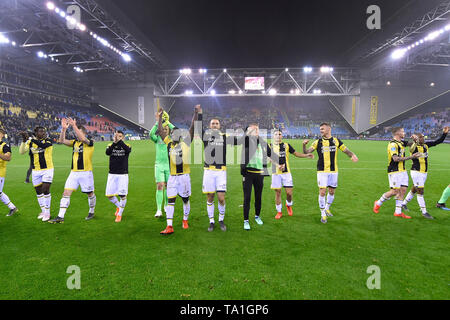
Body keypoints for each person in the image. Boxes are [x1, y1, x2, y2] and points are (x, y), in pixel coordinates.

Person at [303, 123, 358, 224]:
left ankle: (327, 208)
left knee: (332, 191)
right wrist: (304, 145)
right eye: (320, 129)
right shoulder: (317, 142)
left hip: (333, 170)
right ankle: (323, 213)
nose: (321, 131)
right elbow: (306, 152)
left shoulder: (336, 140)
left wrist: (352, 155)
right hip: (322, 170)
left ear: (329, 129)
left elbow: (345, 150)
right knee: (322, 191)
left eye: (323, 129)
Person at [197, 106, 240, 232]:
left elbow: (239, 141)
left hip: (221, 171)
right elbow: (198, 127)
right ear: (210, 126)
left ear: (220, 126)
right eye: (213, 123)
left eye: (217, 123)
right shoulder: (206, 135)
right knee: (210, 196)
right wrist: (200, 113)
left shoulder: (225, 136)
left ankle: (221, 219)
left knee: (221, 197)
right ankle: (211, 221)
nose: (215, 125)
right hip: (209, 171)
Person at [157, 106, 198, 235]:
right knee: (171, 200)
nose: (174, 134)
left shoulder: (186, 143)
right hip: (173, 177)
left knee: (185, 200)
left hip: (184, 177)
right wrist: (160, 117)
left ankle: (185, 220)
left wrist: (195, 113)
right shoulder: (169, 143)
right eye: (173, 133)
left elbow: (192, 127)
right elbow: (160, 130)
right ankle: (169, 226)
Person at [49, 118, 96, 224]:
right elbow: (61, 141)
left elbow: (83, 139)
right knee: (66, 193)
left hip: (86, 172)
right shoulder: (74, 143)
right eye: (75, 132)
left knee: (90, 193)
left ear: (83, 133)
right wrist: (63, 129)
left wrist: (74, 126)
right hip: (74, 173)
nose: (76, 134)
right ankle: (60, 217)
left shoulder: (89, 142)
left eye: (78, 132)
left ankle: (91, 211)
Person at [401, 126, 449, 219]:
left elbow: (438, 141)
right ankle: (424, 211)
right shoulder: (413, 146)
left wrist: (445, 133)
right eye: (421, 137)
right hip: (416, 171)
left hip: (424, 172)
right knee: (420, 191)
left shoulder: (426, 146)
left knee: (415, 188)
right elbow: (403, 142)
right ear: (418, 139)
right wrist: (413, 140)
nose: (423, 138)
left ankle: (403, 204)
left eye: (423, 137)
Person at [373, 127, 419, 219]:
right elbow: (395, 158)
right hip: (394, 171)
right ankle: (378, 203)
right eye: (402, 131)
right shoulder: (393, 144)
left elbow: (411, 145)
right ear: (397, 133)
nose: (404, 133)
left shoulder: (401, 142)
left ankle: (398, 212)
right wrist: (411, 157)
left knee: (403, 190)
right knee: (394, 191)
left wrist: (415, 140)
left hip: (403, 171)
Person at [269, 129, 313, 220]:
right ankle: (279, 212)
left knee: (289, 193)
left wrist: (307, 155)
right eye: (276, 134)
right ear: (273, 136)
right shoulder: (270, 146)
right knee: (278, 193)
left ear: (282, 136)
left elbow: (296, 153)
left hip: (286, 173)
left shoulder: (286, 145)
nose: (278, 135)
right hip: (276, 173)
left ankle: (288, 205)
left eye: (280, 134)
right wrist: (278, 165)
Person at [19, 127, 54, 222]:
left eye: (44, 131)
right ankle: (43, 211)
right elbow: (21, 152)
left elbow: (43, 146)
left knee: (45, 189)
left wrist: (31, 139)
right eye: (41, 131)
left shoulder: (48, 140)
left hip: (47, 169)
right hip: (35, 171)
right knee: (38, 192)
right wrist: (24, 141)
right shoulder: (31, 142)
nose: (43, 133)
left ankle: (47, 212)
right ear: (36, 133)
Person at [240, 123, 271, 231]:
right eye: (253, 130)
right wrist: (248, 131)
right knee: (247, 198)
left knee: (258, 197)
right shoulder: (246, 141)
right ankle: (246, 220)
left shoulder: (263, 142)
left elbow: (270, 154)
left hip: (260, 173)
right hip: (248, 174)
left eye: (257, 130)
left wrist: (277, 163)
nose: (255, 132)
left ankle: (257, 216)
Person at [149, 111, 174, 218]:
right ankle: (158, 209)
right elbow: (151, 134)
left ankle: (165, 206)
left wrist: (167, 121)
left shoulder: (171, 140)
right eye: (162, 129)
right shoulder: (157, 139)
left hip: (169, 166)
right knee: (160, 186)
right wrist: (158, 121)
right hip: (159, 165)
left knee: (168, 187)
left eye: (166, 129)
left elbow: (176, 130)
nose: (164, 130)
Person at [105, 131, 132, 223]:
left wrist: (119, 141)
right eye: (116, 136)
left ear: (123, 137)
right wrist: (114, 142)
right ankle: (118, 206)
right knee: (109, 195)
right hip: (112, 173)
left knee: (122, 195)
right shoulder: (110, 145)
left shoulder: (127, 145)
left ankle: (119, 214)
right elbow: (107, 153)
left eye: (120, 136)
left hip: (122, 174)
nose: (118, 138)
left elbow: (128, 151)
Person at [0, 128, 18, 216]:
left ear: (2, 134)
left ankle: (12, 207)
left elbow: (8, 158)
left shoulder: (4, 146)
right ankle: (12, 207)